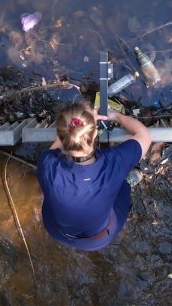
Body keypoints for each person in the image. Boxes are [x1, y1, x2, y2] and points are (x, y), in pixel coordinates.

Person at [37, 101, 153, 251]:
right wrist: (115, 116)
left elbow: (60, 143)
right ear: (95, 133)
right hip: (95, 240)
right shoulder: (114, 163)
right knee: (122, 188)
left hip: (56, 230)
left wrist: (74, 128)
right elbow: (145, 135)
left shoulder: (47, 164)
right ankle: (127, 182)